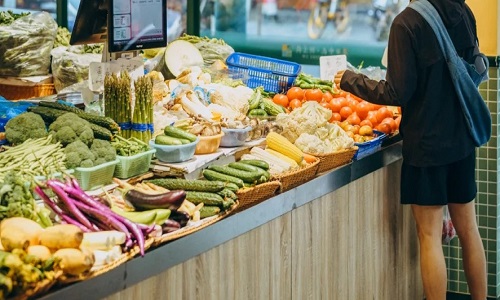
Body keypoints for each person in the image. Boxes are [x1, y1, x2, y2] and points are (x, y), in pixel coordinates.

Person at [333, 0, 487, 299]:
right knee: (469, 230)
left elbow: (397, 92)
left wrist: (349, 80)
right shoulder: (462, 10)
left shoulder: (407, 23)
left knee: (429, 236)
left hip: (427, 145)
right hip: (463, 138)